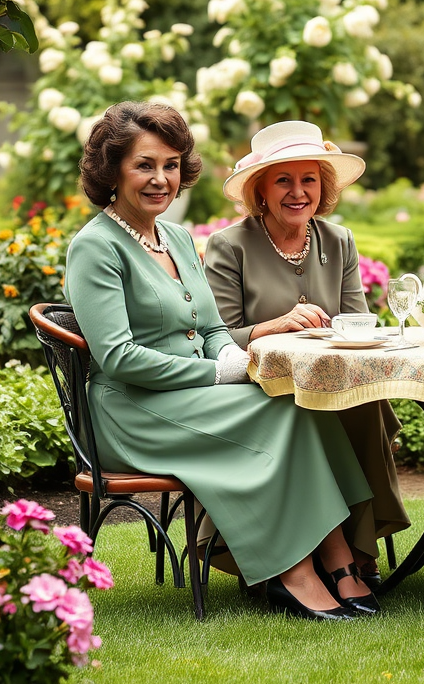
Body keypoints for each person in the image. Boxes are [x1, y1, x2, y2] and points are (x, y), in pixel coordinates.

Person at [64, 102, 379, 621]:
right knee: (280, 411)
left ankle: (336, 555)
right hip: (132, 412)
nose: (160, 179)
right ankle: (295, 574)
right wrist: (222, 371)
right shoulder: (95, 247)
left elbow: (211, 330)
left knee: (292, 400)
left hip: (189, 398)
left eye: (170, 165)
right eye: (144, 165)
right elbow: (117, 358)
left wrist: (236, 359)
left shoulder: (179, 238)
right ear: (111, 170)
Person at [204, 120, 409, 587]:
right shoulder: (229, 246)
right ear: (260, 190)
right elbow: (216, 338)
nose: (298, 192)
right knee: (314, 412)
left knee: (364, 404)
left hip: (332, 380)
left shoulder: (339, 241)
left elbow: (358, 323)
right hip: (262, 389)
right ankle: (330, 555)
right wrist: (272, 327)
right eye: (283, 180)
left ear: (324, 187)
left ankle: (356, 548)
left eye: (309, 180)